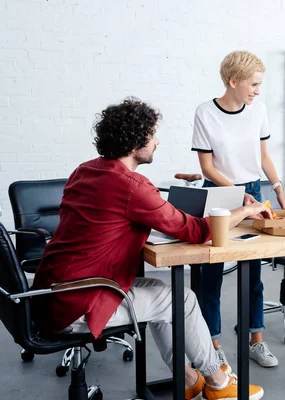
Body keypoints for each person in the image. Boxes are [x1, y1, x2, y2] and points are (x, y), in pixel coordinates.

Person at [31, 98, 267, 400]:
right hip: (79, 303)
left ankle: (188, 379)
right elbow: (197, 230)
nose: (157, 141)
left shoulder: (85, 171)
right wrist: (245, 211)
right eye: (153, 134)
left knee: (161, 294)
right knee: (181, 298)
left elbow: (108, 221)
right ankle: (220, 384)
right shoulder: (132, 186)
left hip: (52, 293)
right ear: (136, 140)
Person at [191, 51, 285, 368]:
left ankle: (255, 341)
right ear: (233, 81)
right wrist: (235, 195)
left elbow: (263, 156)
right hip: (220, 194)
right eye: (254, 84)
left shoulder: (257, 110)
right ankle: (213, 346)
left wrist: (277, 189)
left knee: (254, 273)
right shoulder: (205, 113)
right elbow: (207, 166)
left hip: (253, 191)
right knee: (211, 276)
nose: (258, 91)